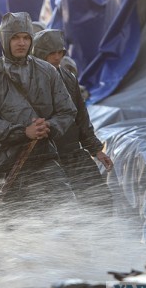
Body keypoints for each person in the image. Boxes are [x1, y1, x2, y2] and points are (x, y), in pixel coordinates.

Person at [0, 12, 77, 219]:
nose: (21, 43)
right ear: (5, 39)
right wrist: (23, 132)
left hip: (43, 157)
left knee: (67, 215)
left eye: (26, 38)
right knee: (7, 227)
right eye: (16, 38)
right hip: (3, 163)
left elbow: (67, 110)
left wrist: (50, 127)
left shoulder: (48, 72)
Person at [32, 29, 113, 204]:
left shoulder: (68, 78)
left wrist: (96, 150)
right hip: (44, 155)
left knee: (100, 199)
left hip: (72, 151)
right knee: (58, 206)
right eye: (51, 53)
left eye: (59, 52)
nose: (56, 57)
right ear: (39, 54)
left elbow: (82, 118)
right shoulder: (29, 82)